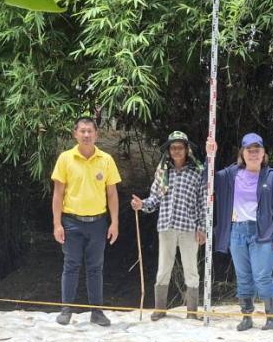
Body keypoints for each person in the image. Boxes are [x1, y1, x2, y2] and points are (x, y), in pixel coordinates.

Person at [205, 133, 273, 331]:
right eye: (249, 150)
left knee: (262, 276)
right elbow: (209, 179)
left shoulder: (272, 176)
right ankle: (246, 317)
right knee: (243, 276)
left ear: (263, 153)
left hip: (262, 233)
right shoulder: (232, 174)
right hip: (237, 232)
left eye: (257, 150)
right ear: (242, 153)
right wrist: (209, 156)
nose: (253, 154)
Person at [51, 117, 121, 326]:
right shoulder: (65, 158)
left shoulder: (106, 160)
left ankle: (97, 311)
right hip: (71, 222)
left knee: (95, 268)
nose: (86, 135)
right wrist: (57, 224)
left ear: (96, 134)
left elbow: (112, 194)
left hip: (98, 223)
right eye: (82, 131)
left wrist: (114, 222)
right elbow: (57, 194)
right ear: (75, 134)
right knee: (71, 265)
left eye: (90, 131)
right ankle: (66, 310)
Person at [131, 130, 207, 320]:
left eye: (180, 147)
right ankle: (160, 309)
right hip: (166, 225)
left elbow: (202, 202)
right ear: (169, 150)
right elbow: (154, 199)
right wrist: (142, 205)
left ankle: (192, 312)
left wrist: (202, 227)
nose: (176, 151)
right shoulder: (162, 171)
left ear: (187, 149)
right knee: (164, 267)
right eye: (173, 148)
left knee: (191, 269)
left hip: (189, 227)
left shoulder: (197, 172)